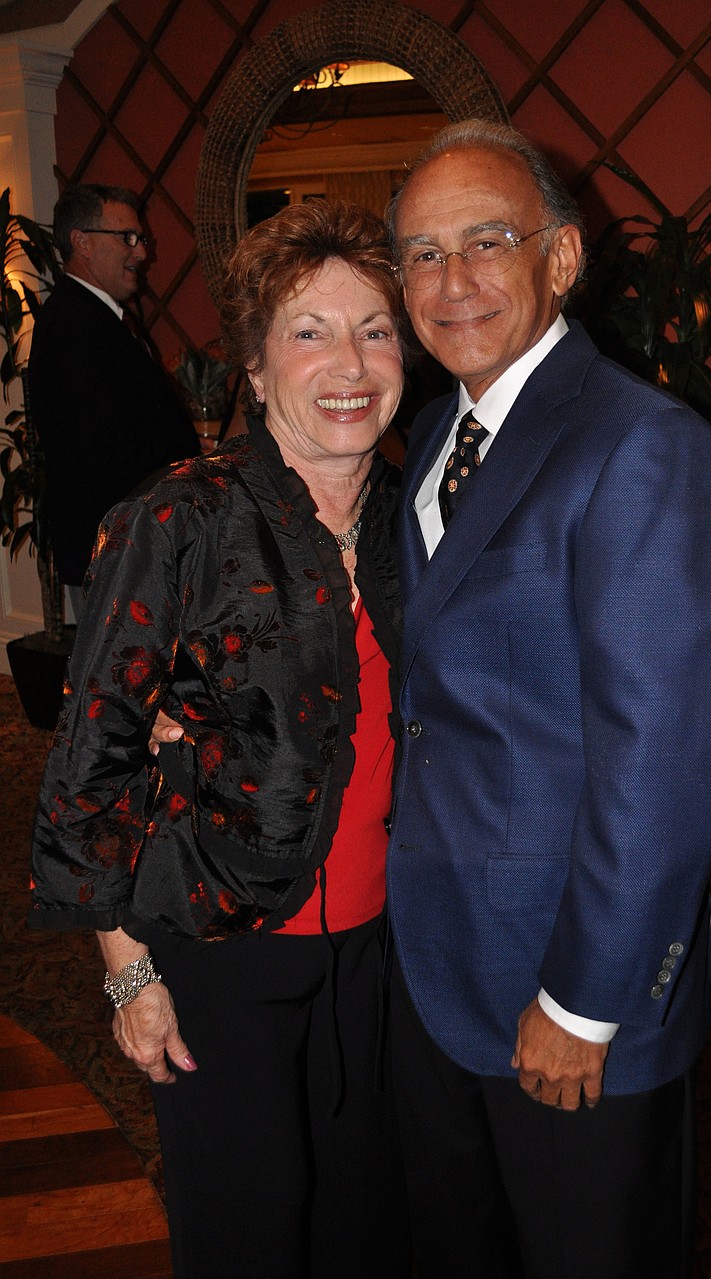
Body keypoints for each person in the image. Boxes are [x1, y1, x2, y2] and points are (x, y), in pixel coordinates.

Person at [383, 119, 711, 1279]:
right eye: (420, 254)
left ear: (559, 258)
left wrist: (586, 1000)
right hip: (440, 965)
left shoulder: (642, 448)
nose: (450, 282)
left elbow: (663, 761)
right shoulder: (441, 430)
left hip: (566, 988)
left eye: (485, 241)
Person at [29, 201, 410, 1279]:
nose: (349, 362)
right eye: (309, 330)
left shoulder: (415, 518)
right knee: (247, 1229)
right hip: (221, 946)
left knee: (364, 1222)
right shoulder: (180, 519)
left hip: (384, 952)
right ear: (250, 366)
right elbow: (87, 760)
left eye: (375, 329)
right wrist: (125, 973)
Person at [27, 183, 199, 614]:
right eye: (127, 238)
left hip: (132, 547)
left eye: (140, 239)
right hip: (119, 552)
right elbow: (105, 452)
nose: (141, 253)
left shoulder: (96, 317)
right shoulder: (73, 326)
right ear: (81, 242)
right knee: (125, 677)